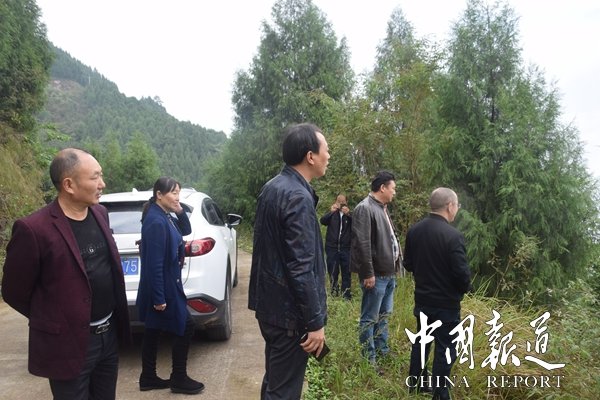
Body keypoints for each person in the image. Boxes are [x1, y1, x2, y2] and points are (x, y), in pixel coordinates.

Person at [1, 148, 130, 400]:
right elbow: (14, 292)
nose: (102, 184)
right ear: (69, 185)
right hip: (68, 344)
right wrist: (54, 320)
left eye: (101, 175)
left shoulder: (100, 214)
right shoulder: (34, 229)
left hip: (108, 335)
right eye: (94, 177)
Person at [248, 122, 329, 400]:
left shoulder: (272, 187)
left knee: (275, 381)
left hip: (271, 308)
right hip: (288, 316)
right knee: (284, 391)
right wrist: (315, 322)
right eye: (326, 150)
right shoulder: (297, 196)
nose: (328, 156)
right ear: (310, 156)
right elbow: (301, 267)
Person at [136, 176, 204, 395]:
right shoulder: (156, 221)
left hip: (165, 283)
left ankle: (148, 377)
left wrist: (179, 209)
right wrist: (159, 298)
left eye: (178, 193)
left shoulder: (164, 216)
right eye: (173, 193)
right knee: (186, 326)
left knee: (153, 329)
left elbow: (185, 230)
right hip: (164, 286)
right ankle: (179, 378)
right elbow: (154, 264)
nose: (177, 197)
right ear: (159, 194)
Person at [403, 187, 472, 400]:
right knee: (445, 349)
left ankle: (416, 385)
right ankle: (440, 394)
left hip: (423, 299)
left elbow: (408, 264)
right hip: (446, 304)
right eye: (457, 205)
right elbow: (461, 274)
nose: (457, 209)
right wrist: (464, 288)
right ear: (450, 206)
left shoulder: (414, 231)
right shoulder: (453, 236)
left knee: (422, 342)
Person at [351, 171, 400, 373]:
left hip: (388, 273)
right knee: (370, 318)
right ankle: (368, 359)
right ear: (382, 188)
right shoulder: (365, 208)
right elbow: (362, 244)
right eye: (393, 188)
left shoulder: (382, 207)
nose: (394, 192)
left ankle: (382, 350)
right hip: (376, 275)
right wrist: (368, 273)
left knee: (383, 316)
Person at [320, 194, 352, 299]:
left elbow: (357, 224)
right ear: (335, 201)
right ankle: (334, 294)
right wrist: (331, 212)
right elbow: (322, 221)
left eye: (343, 202)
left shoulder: (348, 215)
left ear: (346, 202)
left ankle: (346, 295)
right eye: (339, 201)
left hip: (345, 248)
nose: (341, 204)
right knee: (333, 272)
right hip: (332, 248)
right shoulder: (333, 214)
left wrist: (349, 214)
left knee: (346, 272)